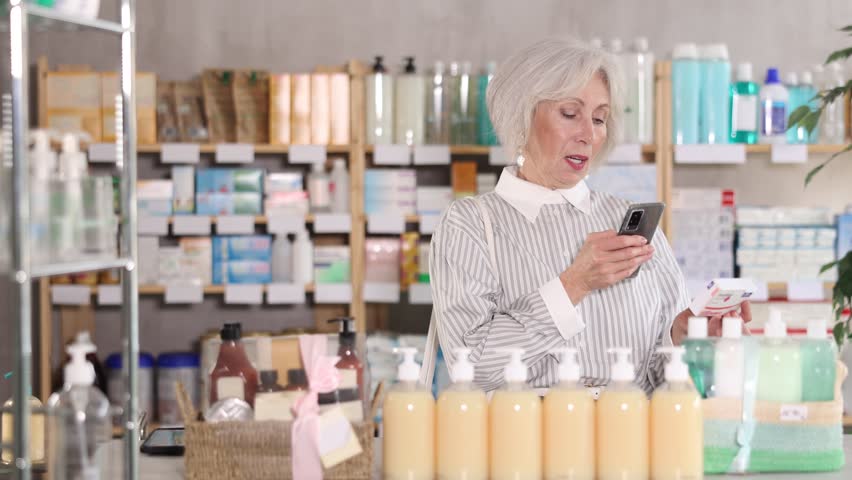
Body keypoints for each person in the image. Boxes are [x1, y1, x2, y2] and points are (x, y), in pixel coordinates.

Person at [425, 38, 751, 394]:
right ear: (521, 116)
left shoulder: (629, 220)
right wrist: (573, 285)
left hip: (630, 437)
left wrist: (687, 336)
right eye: (569, 114)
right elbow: (469, 365)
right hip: (522, 440)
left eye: (599, 118)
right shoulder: (472, 224)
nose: (588, 134)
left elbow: (660, 376)